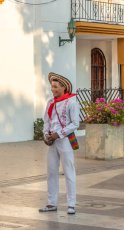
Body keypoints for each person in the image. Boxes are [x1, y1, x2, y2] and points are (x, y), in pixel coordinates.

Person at [39, 72, 80, 215]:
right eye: (52, 87)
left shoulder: (72, 102)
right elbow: (47, 121)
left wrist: (59, 133)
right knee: (51, 171)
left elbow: (75, 123)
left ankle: (71, 204)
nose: (53, 89)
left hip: (65, 141)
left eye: (55, 87)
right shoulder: (50, 103)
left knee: (69, 171)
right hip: (52, 141)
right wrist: (46, 135)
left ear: (64, 88)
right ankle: (51, 203)